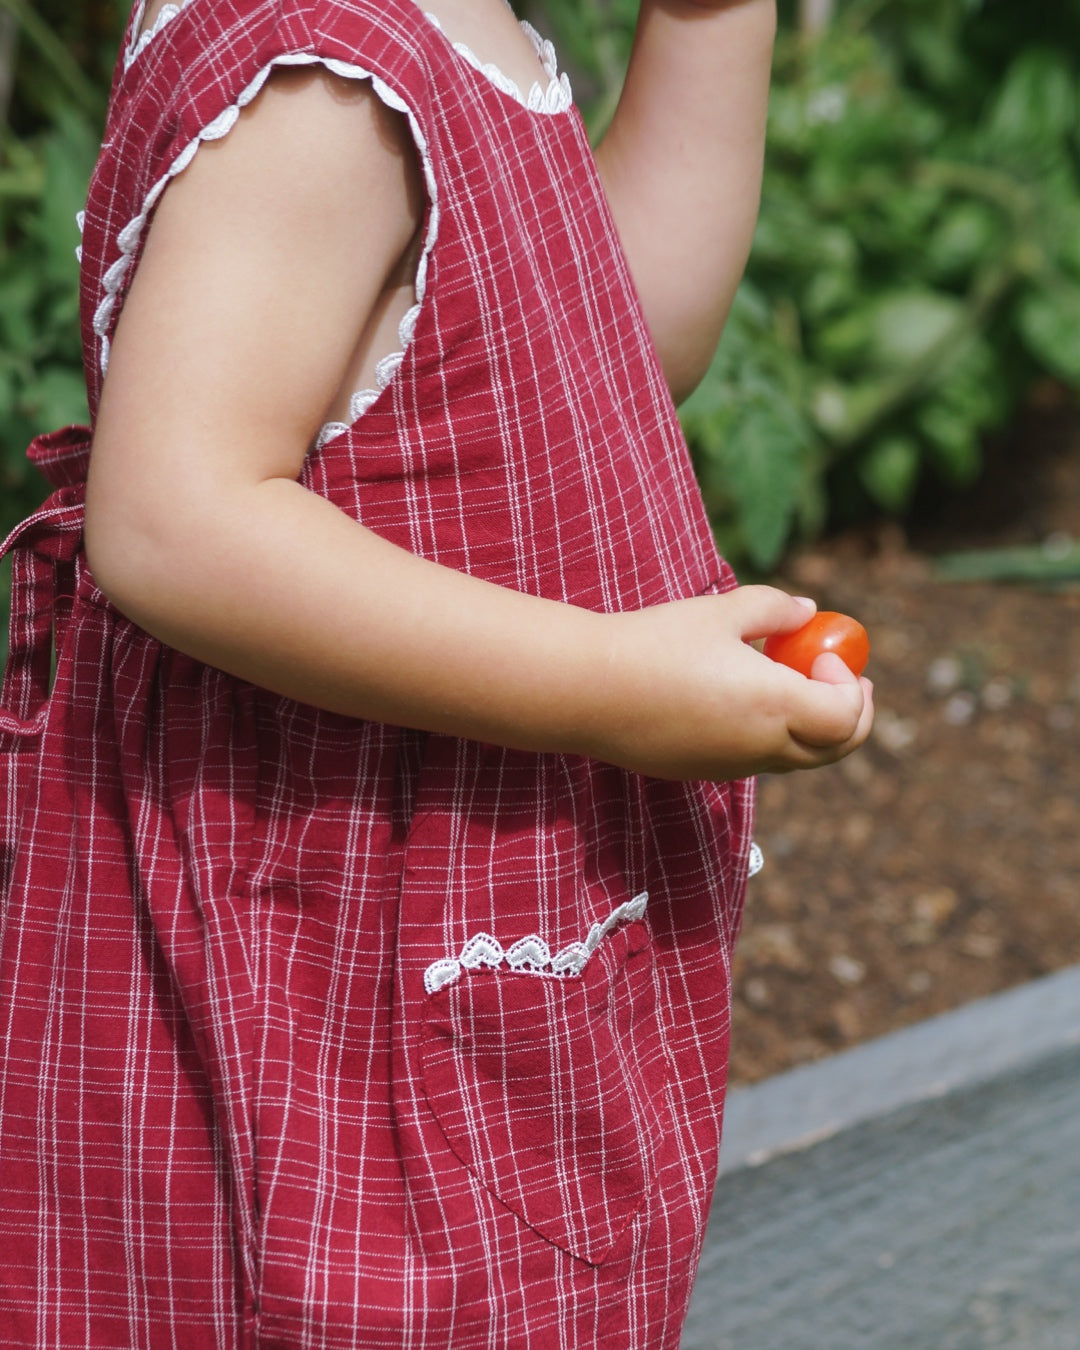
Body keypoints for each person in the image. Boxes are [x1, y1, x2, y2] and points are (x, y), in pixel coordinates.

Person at [0, 0, 872, 1344]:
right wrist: (607, 681)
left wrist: (712, 24)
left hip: (460, 930)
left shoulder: (465, 24)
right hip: (329, 950)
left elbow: (603, 341)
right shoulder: (322, 88)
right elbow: (173, 521)